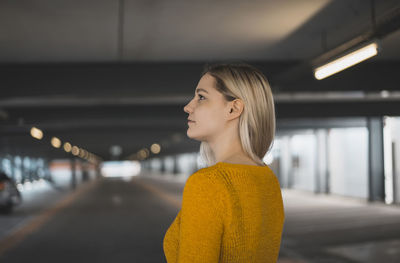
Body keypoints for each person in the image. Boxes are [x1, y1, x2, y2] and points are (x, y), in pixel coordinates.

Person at [163, 63, 285, 262]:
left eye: (201, 97)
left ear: (233, 109)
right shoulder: (268, 179)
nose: (188, 107)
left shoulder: (208, 183)